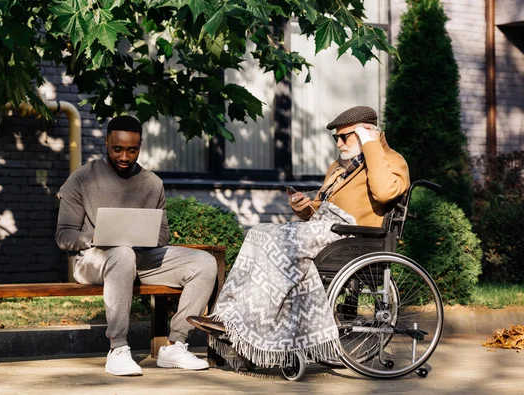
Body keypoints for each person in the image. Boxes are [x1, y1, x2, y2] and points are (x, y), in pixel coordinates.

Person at [187, 106, 410, 369]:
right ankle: (230, 317)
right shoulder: (340, 168)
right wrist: (304, 206)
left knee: (274, 241)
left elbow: (385, 193)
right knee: (258, 233)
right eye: (335, 138)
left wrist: (372, 144)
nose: (338, 143)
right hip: (324, 230)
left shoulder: (391, 160)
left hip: (354, 236)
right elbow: (319, 206)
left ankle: (250, 324)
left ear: (365, 133)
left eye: (345, 137)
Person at [56, 115, 217, 376]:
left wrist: (142, 236)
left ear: (140, 146)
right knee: (121, 254)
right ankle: (118, 348)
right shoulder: (82, 179)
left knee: (203, 263)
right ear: (106, 142)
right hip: (92, 261)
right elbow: (63, 235)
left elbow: (163, 235)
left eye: (132, 150)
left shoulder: (152, 183)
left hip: (141, 258)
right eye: (117, 148)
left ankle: (175, 345)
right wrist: (94, 238)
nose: (124, 156)